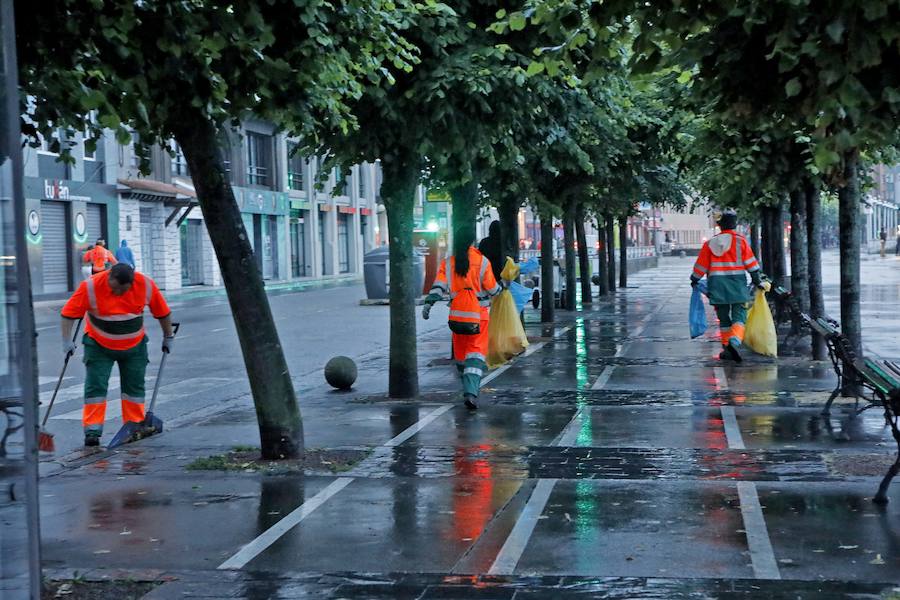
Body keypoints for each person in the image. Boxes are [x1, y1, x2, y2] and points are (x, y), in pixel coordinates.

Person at [60, 264, 174, 447]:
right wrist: (67, 341)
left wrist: (168, 336)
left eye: (124, 289)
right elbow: (68, 314)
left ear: (132, 282)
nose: (119, 293)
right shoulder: (90, 286)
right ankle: (92, 431)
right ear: (108, 278)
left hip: (134, 347)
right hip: (98, 345)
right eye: (115, 288)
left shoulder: (145, 284)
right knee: (95, 387)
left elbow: (162, 312)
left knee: (134, 389)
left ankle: (134, 426)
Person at [423, 225, 501, 409]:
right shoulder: (482, 262)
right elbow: (492, 289)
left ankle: (466, 383)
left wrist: (429, 303)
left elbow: (438, 286)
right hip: (478, 317)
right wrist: (502, 287)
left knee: (461, 356)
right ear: (472, 241)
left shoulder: (448, 262)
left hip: (456, 317)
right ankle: (471, 392)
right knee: (475, 354)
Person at [690, 209, 764, 362]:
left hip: (717, 286)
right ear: (735, 224)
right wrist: (757, 281)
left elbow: (700, 267)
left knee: (723, 318)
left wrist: (694, 279)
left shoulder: (710, 244)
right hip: (737, 285)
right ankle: (734, 341)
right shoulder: (741, 241)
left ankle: (726, 349)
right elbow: (752, 265)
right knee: (739, 316)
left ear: (719, 225)